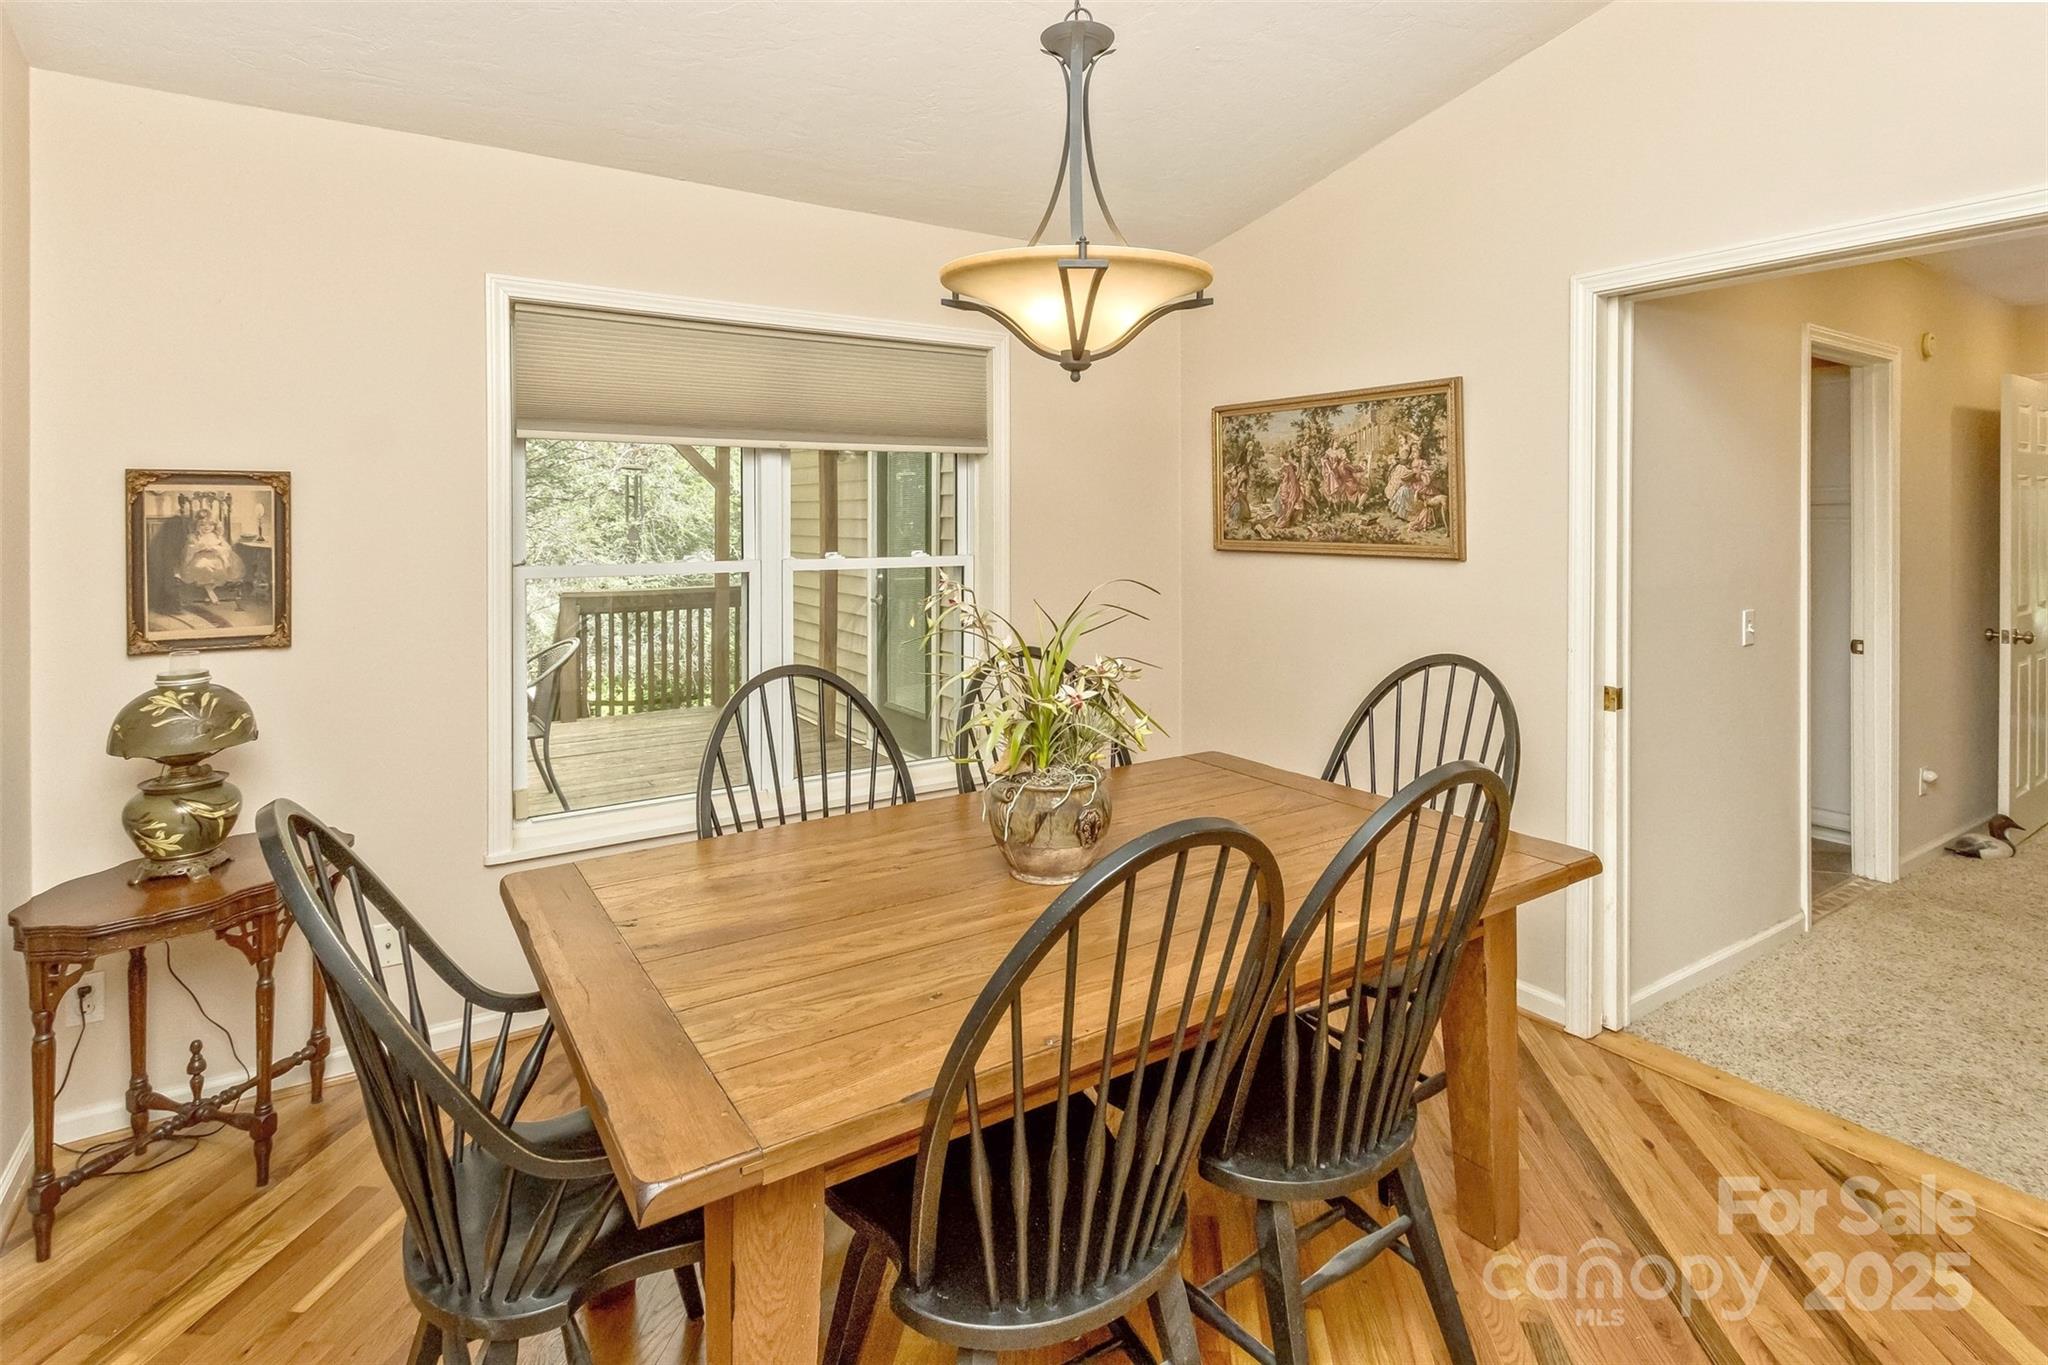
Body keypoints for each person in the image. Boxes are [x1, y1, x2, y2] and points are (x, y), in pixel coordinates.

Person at [178, 507, 244, 604]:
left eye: (210, 524)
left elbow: (226, 548)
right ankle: (209, 591)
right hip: (199, 557)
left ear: (215, 525)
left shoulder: (217, 536)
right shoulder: (194, 537)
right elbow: (190, 549)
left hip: (216, 557)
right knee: (203, 567)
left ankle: (209, 589)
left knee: (221, 568)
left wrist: (216, 548)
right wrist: (199, 547)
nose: (207, 527)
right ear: (196, 525)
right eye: (202, 525)